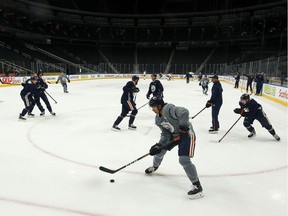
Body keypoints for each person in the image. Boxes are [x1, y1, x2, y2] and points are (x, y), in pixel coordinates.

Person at [145, 96, 203, 199]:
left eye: (153, 107)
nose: (153, 110)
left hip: (187, 135)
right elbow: (165, 134)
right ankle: (155, 166)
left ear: (159, 105)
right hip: (175, 135)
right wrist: (159, 145)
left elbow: (184, 112)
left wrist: (183, 127)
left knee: (184, 160)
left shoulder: (168, 109)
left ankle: (197, 186)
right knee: (159, 152)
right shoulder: (158, 119)